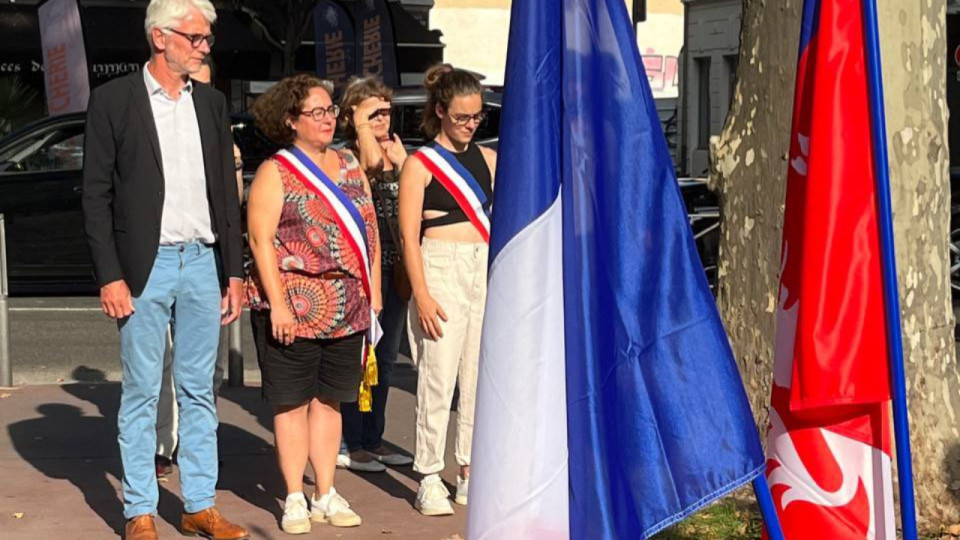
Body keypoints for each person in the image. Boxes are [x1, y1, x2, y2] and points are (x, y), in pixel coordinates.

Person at [81, 1, 247, 539]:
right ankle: (139, 511)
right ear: (160, 37)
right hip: (143, 266)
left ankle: (199, 504)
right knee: (142, 390)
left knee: (199, 389)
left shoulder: (212, 103)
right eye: (195, 37)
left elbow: (225, 194)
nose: (205, 47)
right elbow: (95, 195)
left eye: (207, 38)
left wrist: (234, 271)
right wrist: (110, 274)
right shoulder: (114, 100)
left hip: (202, 260)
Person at [245, 74, 381, 535]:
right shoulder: (276, 171)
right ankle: (294, 497)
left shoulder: (349, 163)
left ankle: (325, 491)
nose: (328, 119)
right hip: (294, 306)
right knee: (291, 404)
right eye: (316, 112)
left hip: (347, 305)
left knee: (330, 402)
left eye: (331, 110)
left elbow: (369, 229)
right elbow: (261, 241)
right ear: (291, 119)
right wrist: (279, 305)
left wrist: (374, 292)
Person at [398, 64, 496, 516]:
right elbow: (408, 236)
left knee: (478, 377)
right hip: (439, 265)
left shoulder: (489, 159)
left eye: (477, 116)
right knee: (437, 377)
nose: (470, 125)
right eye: (462, 117)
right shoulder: (419, 165)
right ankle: (429, 474)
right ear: (440, 111)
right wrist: (422, 293)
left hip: (482, 265)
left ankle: (470, 468)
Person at [154, 55, 244, 478]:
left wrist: (233, 272)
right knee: (161, 361)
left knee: (207, 369)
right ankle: (162, 444)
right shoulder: (157, 125)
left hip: (207, 258)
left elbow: (230, 206)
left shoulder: (217, 126)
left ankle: (199, 447)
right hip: (160, 255)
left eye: (203, 85)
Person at [336, 76, 413, 473]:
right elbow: (368, 165)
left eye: (387, 111)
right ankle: (352, 439)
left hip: (395, 268)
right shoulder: (346, 156)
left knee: (385, 357)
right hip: (361, 270)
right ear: (355, 116)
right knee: (359, 356)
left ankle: (373, 436)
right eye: (374, 112)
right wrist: (363, 127)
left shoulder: (398, 153)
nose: (384, 119)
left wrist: (403, 165)